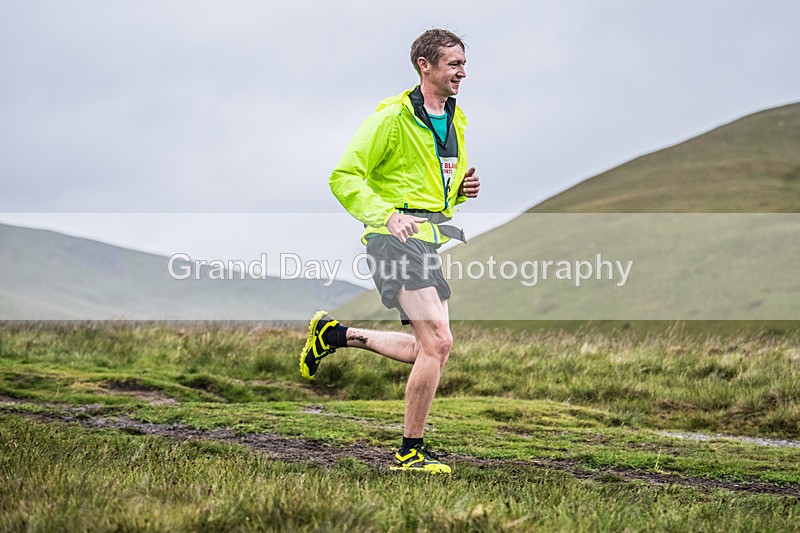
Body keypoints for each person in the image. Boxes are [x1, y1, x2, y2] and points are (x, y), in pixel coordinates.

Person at [300, 28, 480, 474]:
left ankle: (335, 335)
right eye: (454, 63)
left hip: (428, 239)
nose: (463, 71)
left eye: (463, 63)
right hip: (392, 238)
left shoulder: (455, 119)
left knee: (430, 346)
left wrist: (459, 192)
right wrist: (386, 216)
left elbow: (426, 186)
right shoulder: (392, 118)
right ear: (425, 65)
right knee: (438, 342)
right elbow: (344, 176)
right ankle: (409, 451)